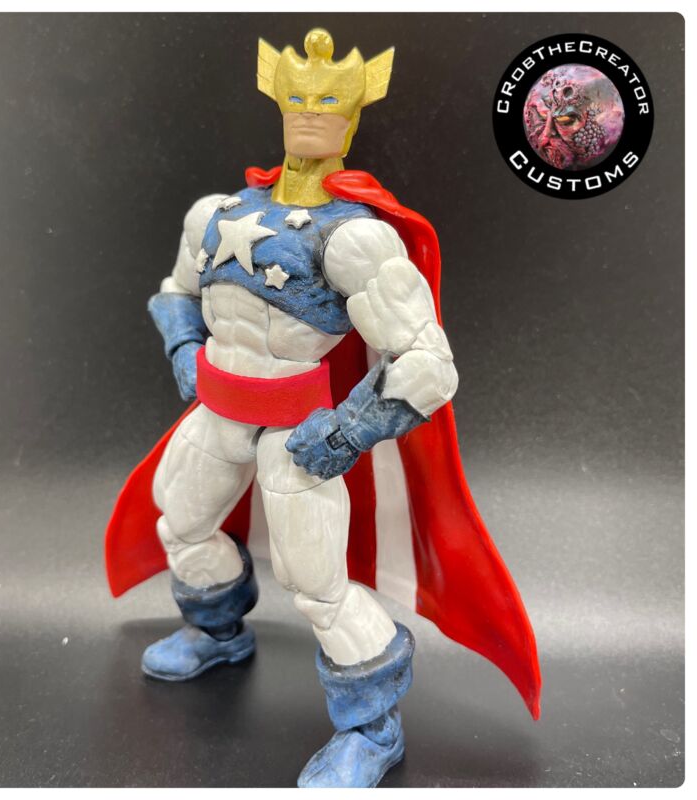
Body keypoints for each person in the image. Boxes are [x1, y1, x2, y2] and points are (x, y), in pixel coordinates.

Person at [105, 28, 541, 788]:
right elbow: (176, 292)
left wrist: (344, 434)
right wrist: (183, 349)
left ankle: (372, 727)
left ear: (353, 115)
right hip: (218, 413)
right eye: (299, 99)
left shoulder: (354, 239)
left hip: (296, 434)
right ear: (279, 102)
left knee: (316, 584)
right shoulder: (215, 213)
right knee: (181, 523)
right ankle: (218, 632)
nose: (311, 112)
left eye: (328, 101)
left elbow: (427, 362)